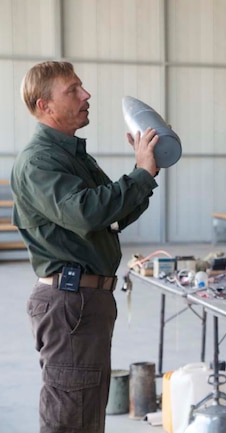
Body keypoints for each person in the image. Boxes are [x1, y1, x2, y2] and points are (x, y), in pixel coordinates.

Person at [13, 61, 160, 433]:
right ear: (44, 105)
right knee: (71, 420)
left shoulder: (73, 156)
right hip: (70, 304)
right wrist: (138, 175)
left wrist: (148, 172)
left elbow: (111, 216)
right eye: (73, 90)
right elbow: (86, 213)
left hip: (84, 302)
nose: (86, 94)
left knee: (85, 416)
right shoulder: (40, 161)